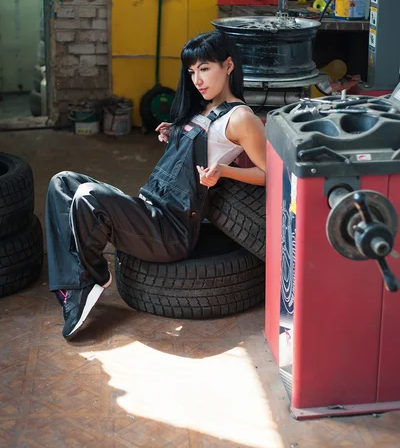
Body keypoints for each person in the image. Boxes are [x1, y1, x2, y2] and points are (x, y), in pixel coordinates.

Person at [46, 30, 266, 340]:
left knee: (87, 197)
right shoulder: (202, 108)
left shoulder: (241, 118)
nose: (197, 79)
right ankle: (74, 283)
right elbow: (191, 151)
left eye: (205, 68)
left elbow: (268, 172)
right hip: (150, 208)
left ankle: (89, 278)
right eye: (192, 72)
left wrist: (226, 171)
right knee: (63, 182)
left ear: (228, 66)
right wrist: (174, 133)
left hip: (172, 230)